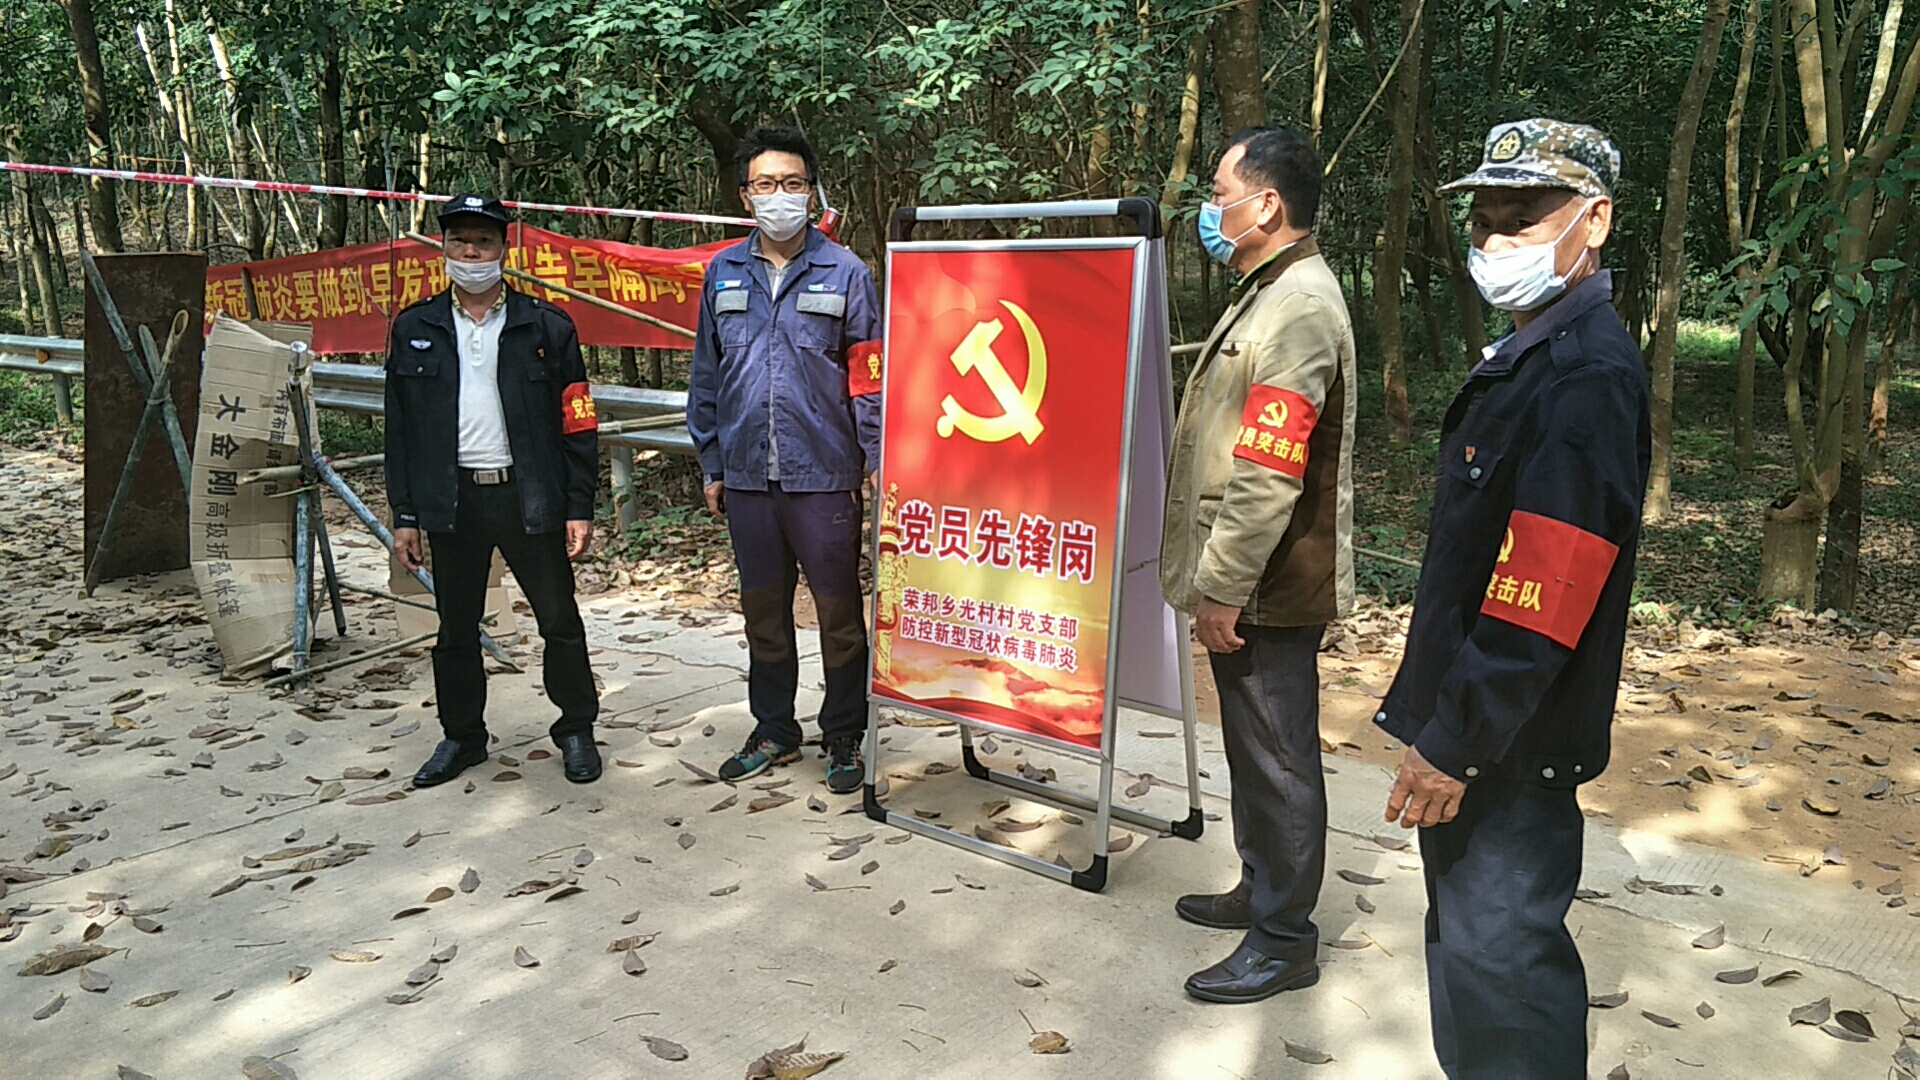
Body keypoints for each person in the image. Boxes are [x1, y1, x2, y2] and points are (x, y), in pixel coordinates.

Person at [1375, 119, 1648, 1078]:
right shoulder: (1529, 352)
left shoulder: (1584, 374)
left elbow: (1544, 595)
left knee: (1503, 974)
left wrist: (1453, 742)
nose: (1494, 239)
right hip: (1480, 726)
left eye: (1522, 217)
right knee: (1469, 958)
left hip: (1508, 744)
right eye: (1483, 219)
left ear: (1594, 221)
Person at [1159, 127, 1356, 1004]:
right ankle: (1260, 886)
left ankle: (1284, 939)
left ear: (1266, 203)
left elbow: (1269, 470)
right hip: (1252, 574)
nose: (1211, 209)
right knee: (1253, 747)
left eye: (1220, 193)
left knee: (1278, 758)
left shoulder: (1299, 305)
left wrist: (1222, 587)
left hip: (1269, 580)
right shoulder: (1271, 290)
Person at [687, 128, 882, 796]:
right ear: (746, 196)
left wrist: (876, 457)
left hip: (823, 475)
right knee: (763, 614)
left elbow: (868, 377)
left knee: (839, 617)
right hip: (747, 477)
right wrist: (712, 462)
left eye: (793, 184)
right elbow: (706, 374)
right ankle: (774, 728)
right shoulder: (723, 273)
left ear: (812, 192)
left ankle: (845, 732)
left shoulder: (847, 273)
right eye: (766, 184)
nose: (780, 196)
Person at [385, 193, 603, 788]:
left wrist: (579, 505)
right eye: (460, 242)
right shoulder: (415, 327)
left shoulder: (546, 326)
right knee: (455, 630)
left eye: (483, 242)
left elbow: (578, 421)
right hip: (452, 500)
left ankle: (576, 729)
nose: (471, 253)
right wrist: (405, 514)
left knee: (559, 621)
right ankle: (462, 737)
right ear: (443, 248)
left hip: (529, 496)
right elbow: (399, 429)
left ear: (504, 249)